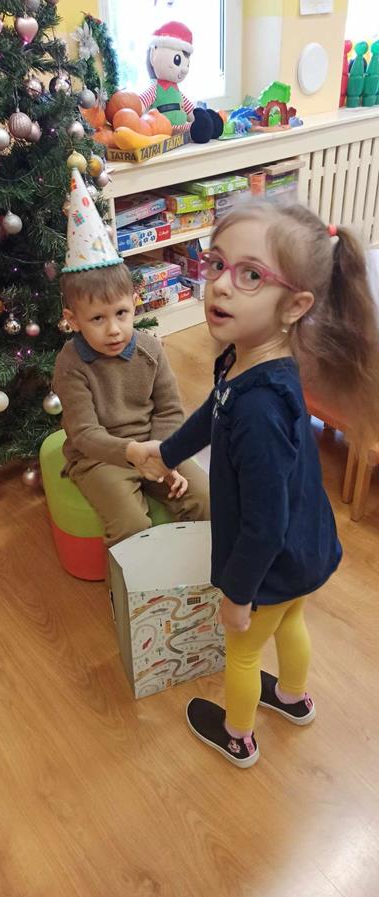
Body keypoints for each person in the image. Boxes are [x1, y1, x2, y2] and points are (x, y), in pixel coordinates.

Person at [127, 201, 379, 768]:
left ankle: (238, 735)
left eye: (250, 275)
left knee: (242, 650)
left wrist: (238, 594)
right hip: (304, 549)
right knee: (291, 620)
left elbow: (264, 525)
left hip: (268, 563)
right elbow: (212, 414)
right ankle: (292, 696)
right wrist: (165, 453)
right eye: (217, 263)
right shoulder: (251, 361)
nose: (220, 285)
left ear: (296, 305)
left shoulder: (260, 409)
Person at [53, 168, 209, 548]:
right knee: (131, 526)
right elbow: (84, 434)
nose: (114, 330)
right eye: (97, 319)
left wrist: (164, 457)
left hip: (153, 448)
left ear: (134, 304)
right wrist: (132, 453)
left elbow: (169, 411)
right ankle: (135, 586)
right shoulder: (71, 364)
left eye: (121, 314)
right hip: (99, 458)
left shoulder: (150, 349)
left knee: (206, 497)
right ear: (73, 320)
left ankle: (200, 572)